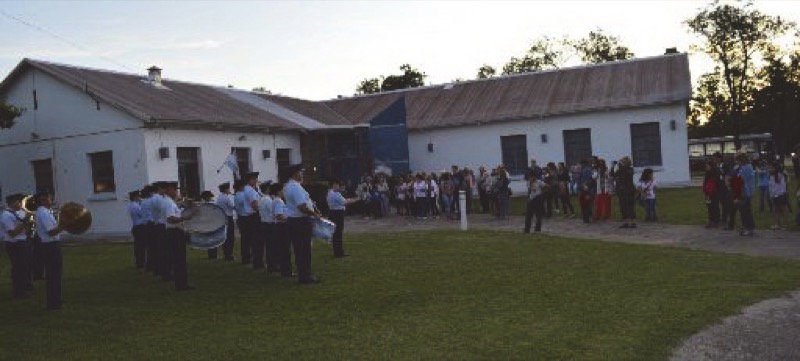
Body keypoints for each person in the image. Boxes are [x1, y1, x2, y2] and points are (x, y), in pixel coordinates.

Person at [283, 164, 323, 284]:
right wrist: (314, 214)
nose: (302, 174)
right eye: (301, 172)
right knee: (304, 250)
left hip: (294, 221)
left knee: (299, 249)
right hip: (300, 221)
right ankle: (305, 276)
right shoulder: (295, 187)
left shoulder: (288, 186)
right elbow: (302, 207)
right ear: (295, 174)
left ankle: (303, 274)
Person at [34, 191, 68, 309]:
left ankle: (54, 302)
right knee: (54, 275)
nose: (51, 200)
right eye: (49, 198)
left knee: (54, 275)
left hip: (50, 246)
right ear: (43, 200)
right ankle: (54, 304)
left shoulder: (44, 211)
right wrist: (65, 225)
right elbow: (51, 232)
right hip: (50, 246)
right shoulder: (43, 213)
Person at [2, 193, 33, 298]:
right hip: (14, 244)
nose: (21, 204)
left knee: (24, 266)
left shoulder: (16, 214)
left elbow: (25, 230)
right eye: (19, 202)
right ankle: (19, 291)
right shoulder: (6, 215)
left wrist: (29, 224)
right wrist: (25, 221)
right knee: (18, 268)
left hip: (22, 242)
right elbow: (13, 233)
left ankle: (25, 287)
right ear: (12, 203)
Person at [163, 182, 193, 291]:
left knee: (179, 258)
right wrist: (185, 218)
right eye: (175, 189)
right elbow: (171, 219)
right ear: (168, 190)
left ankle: (181, 283)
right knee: (179, 259)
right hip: (174, 232)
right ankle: (181, 284)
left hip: (175, 231)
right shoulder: (168, 203)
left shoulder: (171, 202)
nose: (176, 192)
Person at [327, 179, 356, 258]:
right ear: (333, 185)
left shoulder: (330, 192)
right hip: (337, 214)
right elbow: (345, 202)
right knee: (338, 233)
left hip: (333, 213)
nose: (339, 187)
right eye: (337, 185)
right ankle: (339, 252)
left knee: (336, 233)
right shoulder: (335, 194)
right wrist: (355, 200)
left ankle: (338, 251)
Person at [270, 183, 292, 277]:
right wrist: (289, 219)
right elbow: (279, 215)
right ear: (278, 191)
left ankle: (284, 269)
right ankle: (286, 270)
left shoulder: (275, 200)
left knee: (282, 249)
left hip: (279, 226)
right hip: (282, 226)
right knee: (285, 249)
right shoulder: (279, 201)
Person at [242, 172, 262, 268]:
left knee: (255, 240)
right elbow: (254, 205)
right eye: (254, 179)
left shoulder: (251, 189)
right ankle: (258, 262)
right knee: (257, 240)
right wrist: (262, 212)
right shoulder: (250, 190)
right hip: (254, 216)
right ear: (249, 180)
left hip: (252, 216)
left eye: (256, 179)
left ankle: (257, 261)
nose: (256, 181)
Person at [735, 153, 756, 236]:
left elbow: (741, 180)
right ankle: (749, 227)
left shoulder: (744, 168)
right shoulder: (749, 167)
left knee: (744, 211)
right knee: (747, 210)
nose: (737, 162)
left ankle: (747, 227)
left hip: (744, 191)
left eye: (738, 161)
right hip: (748, 191)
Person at [257, 181, 276, 272]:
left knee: (268, 245)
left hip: (263, 223)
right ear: (267, 189)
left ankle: (270, 264)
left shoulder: (261, 199)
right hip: (269, 224)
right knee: (271, 246)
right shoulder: (268, 200)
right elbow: (273, 212)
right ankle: (272, 265)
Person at [215, 182, 236, 262]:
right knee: (230, 237)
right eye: (228, 188)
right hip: (228, 217)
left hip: (222, 217)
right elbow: (232, 206)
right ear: (225, 189)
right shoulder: (226, 198)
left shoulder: (219, 197)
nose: (229, 190)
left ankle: (226, 253)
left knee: (225, 237)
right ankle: (229, 255)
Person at [614, 156, 637, 229]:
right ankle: (628, 222)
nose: (621, 163)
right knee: (625, 207)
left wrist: (619, 166)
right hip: (626, 190)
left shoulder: (627, 170)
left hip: (627, 190)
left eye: (622, 161)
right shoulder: (625, 170)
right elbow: (614, 175)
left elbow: (622, 174)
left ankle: (630, 222)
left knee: (628, 207)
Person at [128, 190, 146, 268]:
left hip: (136, 226)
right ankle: (141, 262)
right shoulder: (136, 206)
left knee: (138, 245)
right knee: (141, 246)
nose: (140, 198)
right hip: (140, 226)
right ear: (135, 197)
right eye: (138, 196)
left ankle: (139, 261)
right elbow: (142, 214)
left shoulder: (131, 205)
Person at [768, 162, 789, 230]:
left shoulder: (780, 175)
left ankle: (785, 224)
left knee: (783, 209)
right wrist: (771, 195)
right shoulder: (771, 176)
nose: (770, 169)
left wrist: (781, 194)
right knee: (776, 210)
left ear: (775, 168)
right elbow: (771, 186)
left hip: (781, 195)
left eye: (771, 168)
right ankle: (777, 224)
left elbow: (783, 186)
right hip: (774, 196)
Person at [702, 159, 721, 228]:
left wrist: (710, 191)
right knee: (709, 207)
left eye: (707, 166)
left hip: (713, 193)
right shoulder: (707, 173)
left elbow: (715, 183)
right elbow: (705, 183)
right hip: (707, 193)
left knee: (714, 206)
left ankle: (716, 221)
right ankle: (711, 220)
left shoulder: (714, 174)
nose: (706, 167)